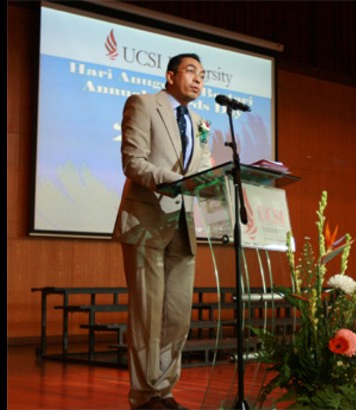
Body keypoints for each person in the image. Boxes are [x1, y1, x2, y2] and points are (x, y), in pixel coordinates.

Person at [113, 53, 212, 410]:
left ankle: (164, 390)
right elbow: (133, 161)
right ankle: (144, 396)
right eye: (191, 71)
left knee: (177, 316)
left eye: (202, 75)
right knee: (147, 315)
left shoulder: (201, 122)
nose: (198, 79)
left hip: (183, 228)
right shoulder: (143, 104)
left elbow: (206, 169)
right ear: (170, 76)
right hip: (146, 221)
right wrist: (178, 181)